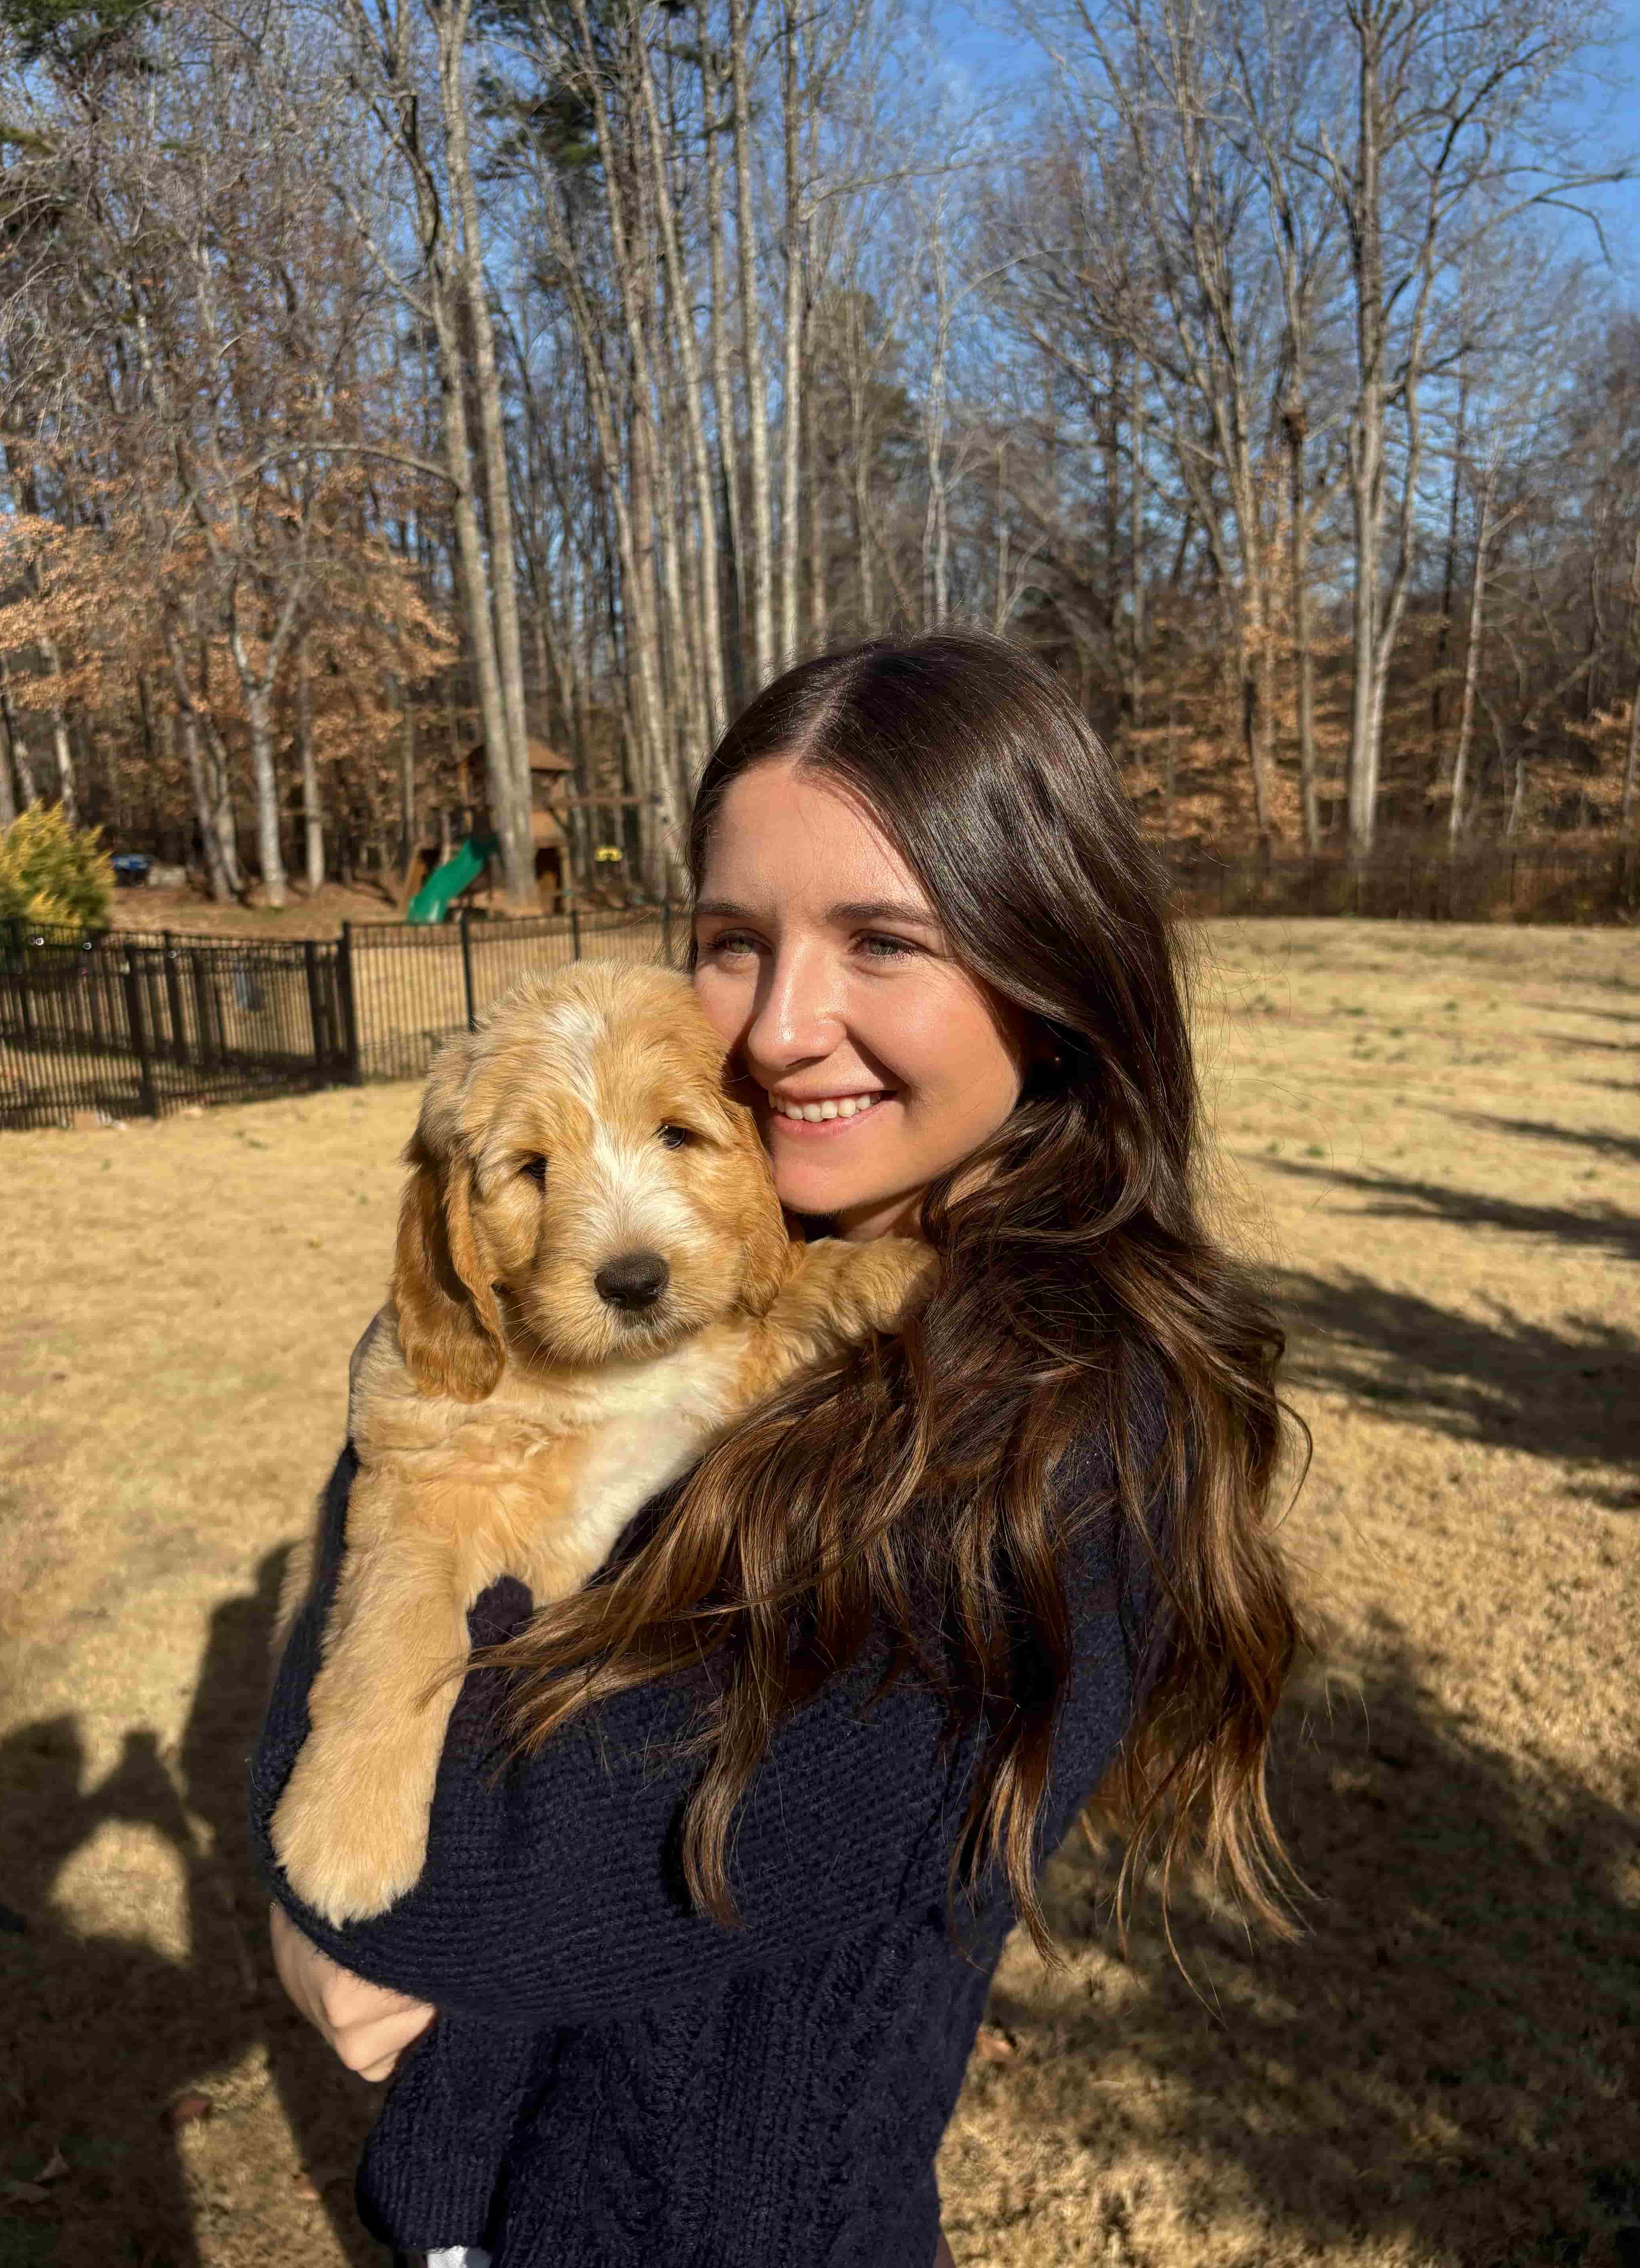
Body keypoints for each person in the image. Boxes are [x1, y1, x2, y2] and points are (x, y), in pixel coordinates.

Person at [255, 633, 1302, 2268]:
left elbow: (481, 1887)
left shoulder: (1065, 1437)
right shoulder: (765, 1254)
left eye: (884, 941)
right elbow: (413, 1468)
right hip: (487, 2203)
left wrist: (301, 1851)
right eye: (734, 944)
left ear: (1051, 968)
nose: (783, 1029)